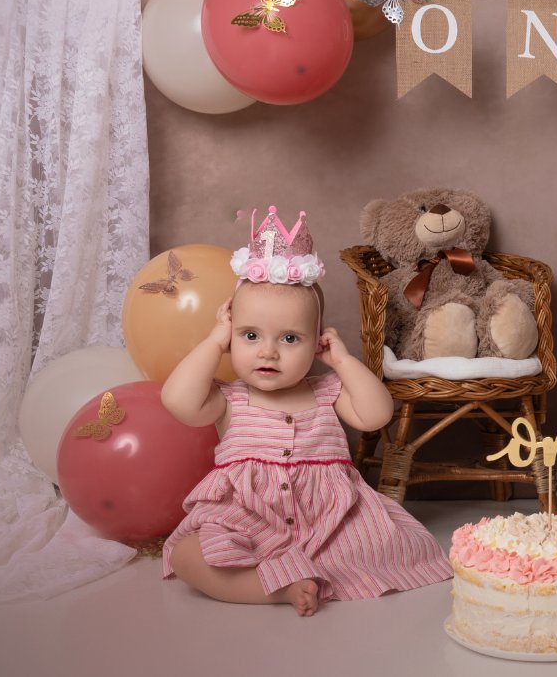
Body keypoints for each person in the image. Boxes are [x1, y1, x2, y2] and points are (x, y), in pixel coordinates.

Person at [161, 207, 452, 616]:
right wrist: (213, 342)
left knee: (382, 542)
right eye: (250, 335)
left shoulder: (327, 390)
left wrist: (344, 362)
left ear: (317, 343)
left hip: (329, 523)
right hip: (247, 519)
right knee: (188, 555)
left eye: (290, 338)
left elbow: (376, 415)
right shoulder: (228, 398)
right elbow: (178, 401)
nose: (268, 351)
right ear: (232, 336)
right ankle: (273, 588)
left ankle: (306, 572)